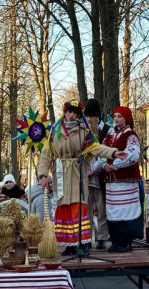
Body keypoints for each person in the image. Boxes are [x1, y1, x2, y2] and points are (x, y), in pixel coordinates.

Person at [38, 100, 124, 256]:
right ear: (65, 113)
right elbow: (46, 155)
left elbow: (96, 148)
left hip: (78, 173)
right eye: (69, 112)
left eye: (75, 113)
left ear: (79, 115)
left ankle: (83, 244)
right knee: (64, 208)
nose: (72, 115)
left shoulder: (84, 131)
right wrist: (43, 175)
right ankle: (69, 244)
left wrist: (113, 152)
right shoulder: (54, 132)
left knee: (79, 208)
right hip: (61, 174)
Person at [102, 106, 144, 252]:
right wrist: (101, 166)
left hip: (126, 181)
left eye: (120, 116)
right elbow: (102, 153)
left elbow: (132, 155)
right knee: (113, 211)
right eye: (115, 116)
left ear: (127, 118)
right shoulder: (110, 136)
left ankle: (126, 242)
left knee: (126, 210)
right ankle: (115, 241)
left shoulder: (130, 135)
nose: (116, 119)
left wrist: (115, 165)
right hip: (111, 182)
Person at [84, 98, 110, 249]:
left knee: (101, 208)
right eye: (86, 117)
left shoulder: (107, 130)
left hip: (100, 176)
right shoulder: (83, 130)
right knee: (85, 209)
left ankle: (101, 237)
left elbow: (106, 154)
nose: (88, 120)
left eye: (90, 117)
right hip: (86, 176)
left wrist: (94, 169)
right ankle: (86, 237)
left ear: (97, 117)